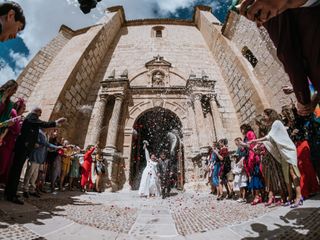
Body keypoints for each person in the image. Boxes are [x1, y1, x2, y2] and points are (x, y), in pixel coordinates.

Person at [235, 0, 320, 116]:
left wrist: (303, 100)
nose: (258, 24)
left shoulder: (268, 9)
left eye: (254, 16)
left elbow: (289, 55)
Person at [5, 107, 66, 204]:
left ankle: (10, 192)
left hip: (24, 148)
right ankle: (10, 194)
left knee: (16, 171)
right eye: (40, 113)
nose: (40, 115)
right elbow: (42, 124)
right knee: (16, 171)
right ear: (36, 112)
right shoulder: (31, 117)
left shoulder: (32, 119)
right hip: (23, 148)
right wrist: (56, 122)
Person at [249, 109, 303, 208]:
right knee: (286, 176)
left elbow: (269, 137)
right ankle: (291, 196)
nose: (263, 118)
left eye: (264, 115)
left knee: (292, 172)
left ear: (270, 115)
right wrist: (259, 144)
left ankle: (299, 196)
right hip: (282, 152)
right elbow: (271, 140)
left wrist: (255, 140)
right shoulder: (272, 126)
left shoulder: (277, 123)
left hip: (288, 150)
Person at [23, 129, 60, 198]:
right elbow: (44, 143)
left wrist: (53, 149)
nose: (51, 131)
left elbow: (45, 146)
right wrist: (56, 147)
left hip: (40, 158)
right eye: (51, 129)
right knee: (29, 174)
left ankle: (32, 190)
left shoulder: (45, 135)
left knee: (34, 176)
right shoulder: (39, 132)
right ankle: (25, 189)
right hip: (34, 156)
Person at [0, 98, 25, 184]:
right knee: (2, 165)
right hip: (6, 142)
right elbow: (7, 126)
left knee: (5, 167)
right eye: (23, 108)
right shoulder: (13, 113)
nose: (23, 110)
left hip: (11, 145)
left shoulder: (18, 117)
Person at [239, 124, 264, 205]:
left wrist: (243, 144)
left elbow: (253, 145)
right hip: (250, 158)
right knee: (254, 176)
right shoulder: (246, 136)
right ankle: (259, 195)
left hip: (253, 158)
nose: (241, 131)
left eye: (242, 129)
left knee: (256, 176)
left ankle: (258, 196)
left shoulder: (250, 133)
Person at [233, 138, 248, 203]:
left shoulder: (243, 148)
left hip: (242, 166)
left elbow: (245, 155)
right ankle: (241, 196)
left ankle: (243, 197)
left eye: (237, 143)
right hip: (238, 166)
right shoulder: (239, 149)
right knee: (240, 183)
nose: (236, 144)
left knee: (243, 183)